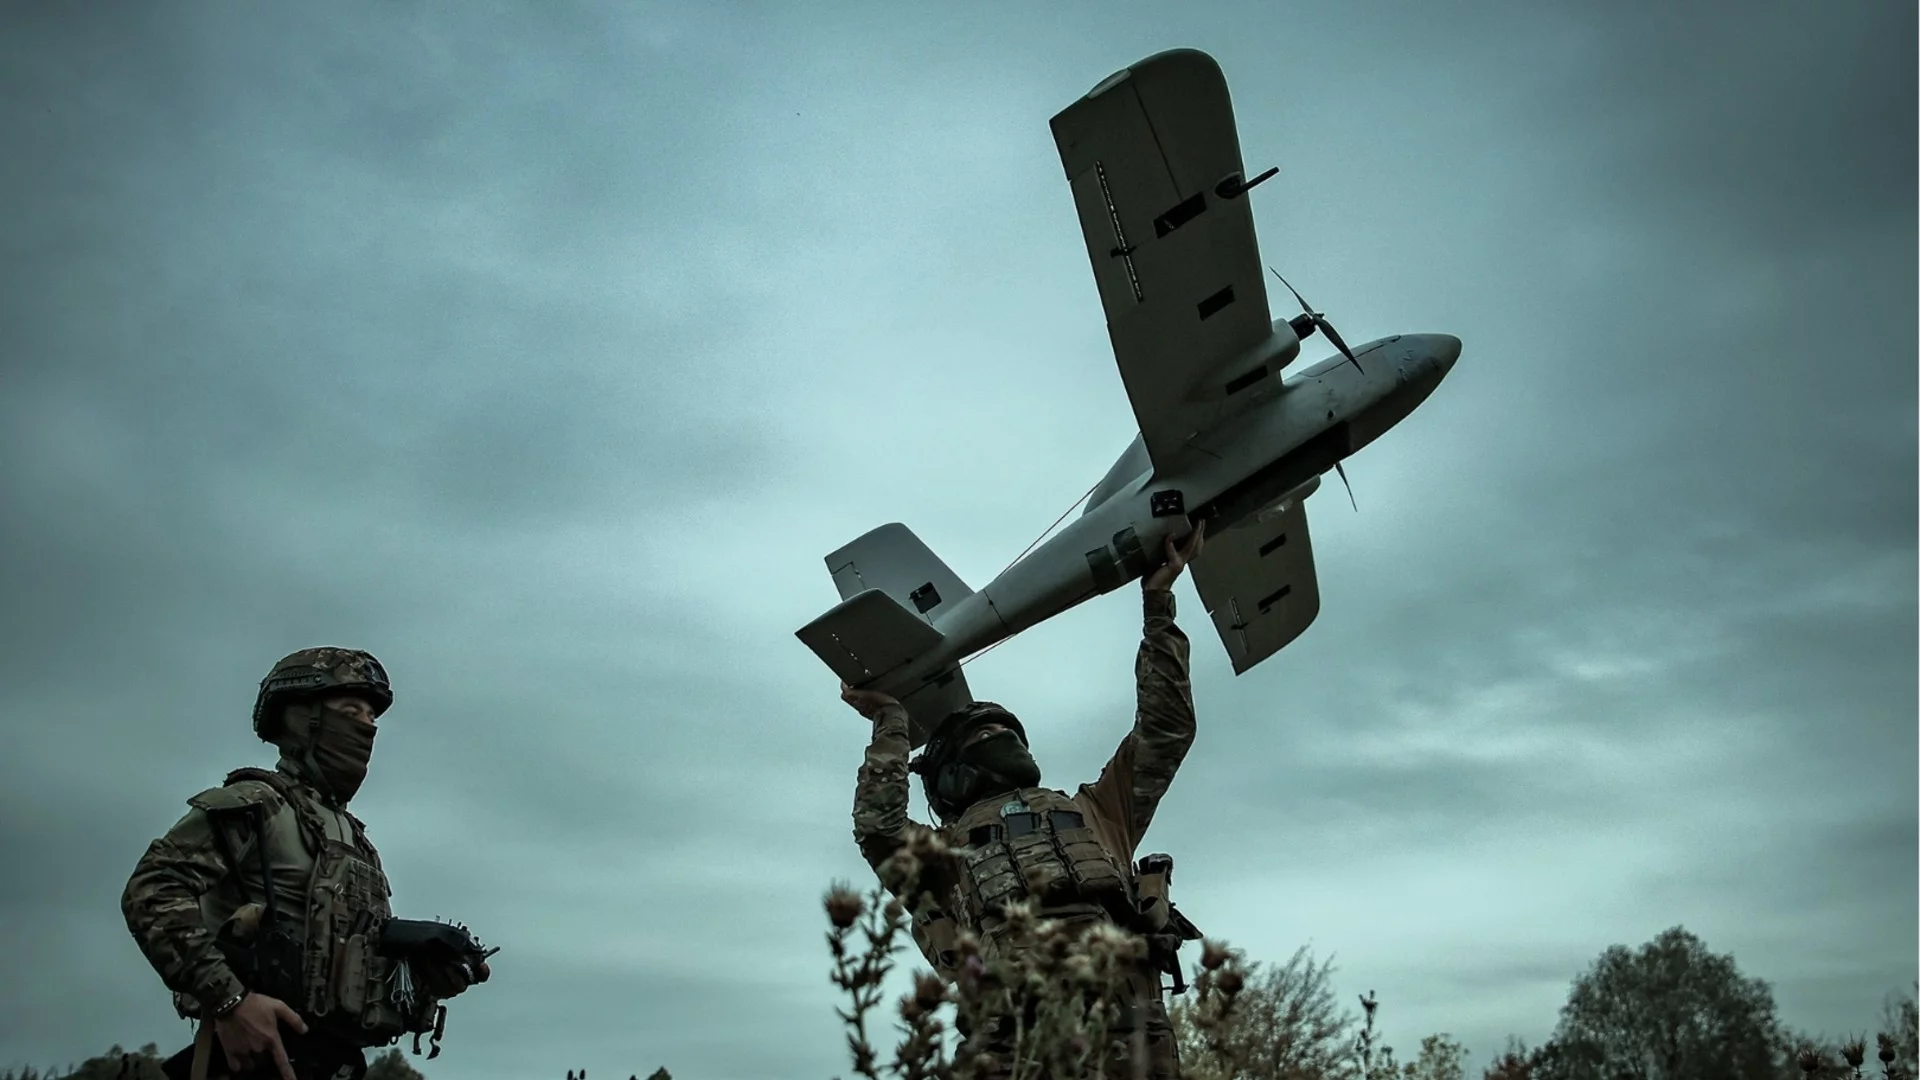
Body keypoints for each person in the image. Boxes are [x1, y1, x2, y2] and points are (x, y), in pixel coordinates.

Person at [844, 522, 1207, 1079]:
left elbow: (1166, 729)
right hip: (1019, 1036)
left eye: (1005, 732)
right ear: (950, 779)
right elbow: (878, 827)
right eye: (981, 739)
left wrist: (1159, 603)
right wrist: (891, 722)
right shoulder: (943, 855)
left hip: (1129, 1033)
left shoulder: (1099, 810)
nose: (1001, 741)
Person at [123, 647, 489, 1080]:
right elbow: (152, 890)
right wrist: (231, 1001)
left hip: (333, 1063)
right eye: (351, 710)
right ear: (302, 717)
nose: (366, 727)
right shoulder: (256, 805)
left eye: (373, 718)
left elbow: (342, 962)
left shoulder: (353, 839)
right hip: (256, 1060)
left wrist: (424, 976)